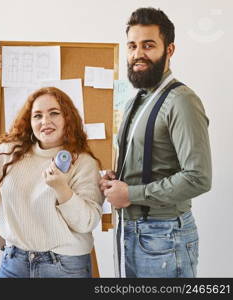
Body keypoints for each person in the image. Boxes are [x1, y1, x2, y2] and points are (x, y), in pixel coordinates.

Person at [100, 7, 212, 278]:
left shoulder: (182, 101)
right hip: (133, 231)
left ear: (169, 49)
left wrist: (131, 195)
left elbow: (198, 177)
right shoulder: (134, 102)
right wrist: (117, 180)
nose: (138, 54)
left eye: (148, 45)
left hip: (165, 236)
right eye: (132, 46)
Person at [0, 87, 103, 278]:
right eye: (37, 116)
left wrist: (61, 188)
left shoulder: (83, 163)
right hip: (14, 262)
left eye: (54, 113)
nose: (45, 121)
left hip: (63, 266)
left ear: (68, 119)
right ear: (30, 122)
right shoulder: (10, 153)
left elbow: (87, 223)